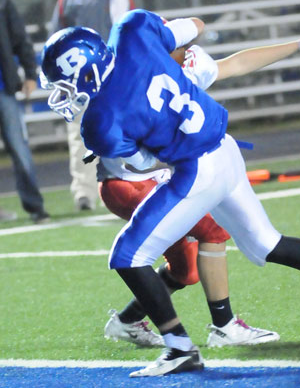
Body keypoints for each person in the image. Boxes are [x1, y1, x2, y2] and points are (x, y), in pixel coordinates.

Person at [40, 11, 300, 377]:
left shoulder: (100, 119)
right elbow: (196, 27)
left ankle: (179, 347)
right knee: (266, 243)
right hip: (225, 150)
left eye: (64, 83)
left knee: (128, 255)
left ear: (85, 69)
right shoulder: (134, 32)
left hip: (198, 169)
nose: (64, 93)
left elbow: (142, 166)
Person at [99, 44, 282, 348]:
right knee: (212, 231)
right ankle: (224, 327)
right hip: (129, 179)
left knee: (186, 271)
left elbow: (235, 64)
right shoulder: (135, 78)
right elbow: (136, 151)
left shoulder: (182, 66)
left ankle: (127, 321)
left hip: (154, 174)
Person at [49, 0, 135, 211]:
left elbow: (134, 34)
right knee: (80, 137)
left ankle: (127, 186)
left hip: (114, 78)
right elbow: (57, 37)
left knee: (121, 133)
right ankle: (84, 194)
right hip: (79, 81)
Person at [0, 0, 49, 224]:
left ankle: (35, 207)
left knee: (20, 148)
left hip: (4, 89)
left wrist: (30, 73)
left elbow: (19, 37)